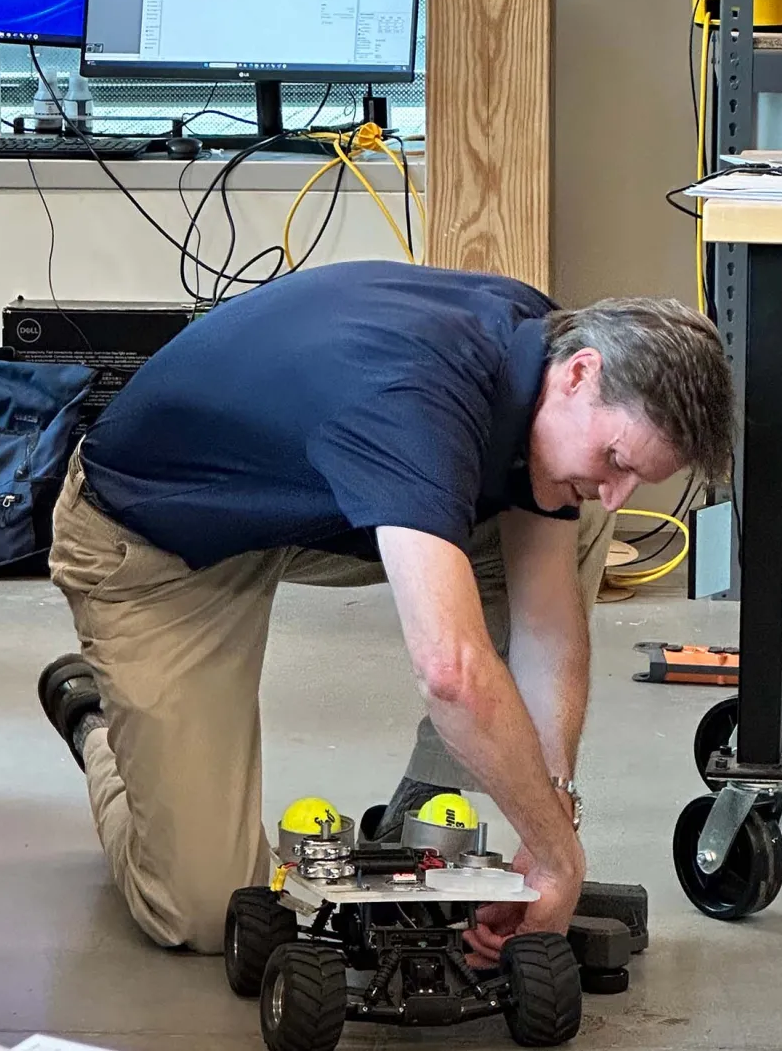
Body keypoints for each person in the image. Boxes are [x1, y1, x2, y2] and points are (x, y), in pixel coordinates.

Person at [38, 260, 733, 958]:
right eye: (617, 457)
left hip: (306, 498)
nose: (619, 492)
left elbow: (546, 621)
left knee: (574, 520)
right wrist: (560, 861)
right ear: (581, 372)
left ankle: (416, 815)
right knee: (203, 910)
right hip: (156, 543)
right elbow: (451, 671)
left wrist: (550, 822)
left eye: (640, 476)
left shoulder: (543, 350)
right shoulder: (417, 402)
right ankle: (99, 722)